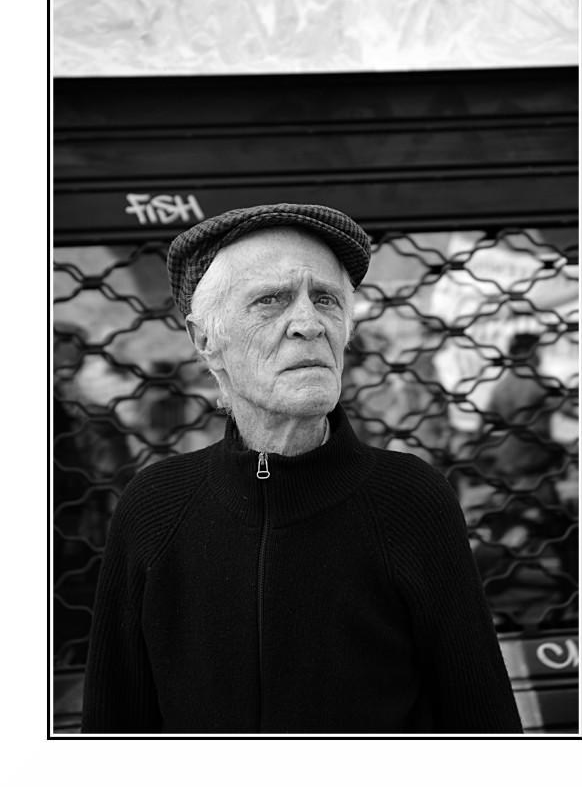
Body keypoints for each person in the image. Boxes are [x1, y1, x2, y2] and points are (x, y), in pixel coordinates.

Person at [81, 203, 522, 735]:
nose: (309, 324)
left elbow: (482, 723)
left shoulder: (410, 499)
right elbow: (113, 728)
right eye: (270, 300)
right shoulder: (156, 506)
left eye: (327, 300)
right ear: (205, 342)